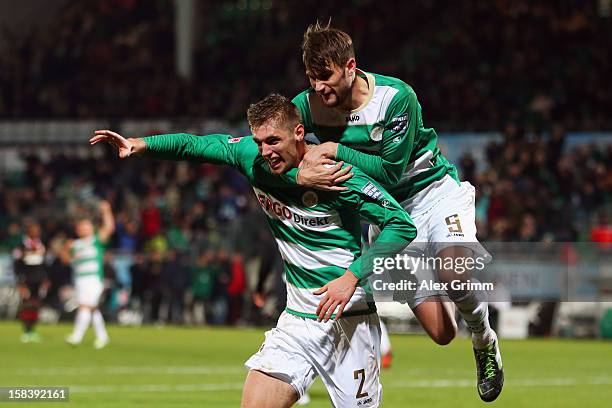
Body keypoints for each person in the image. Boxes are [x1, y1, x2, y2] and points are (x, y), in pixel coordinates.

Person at [90, 93, 416, 408]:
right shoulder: (252, 158)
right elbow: (197, 144)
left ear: (299, 132)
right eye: (259, 141)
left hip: (347, 319)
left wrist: (353, 276)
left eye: (273, 140)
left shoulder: (336, 175)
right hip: (298, 320)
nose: (265, 150)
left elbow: (401, 225)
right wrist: (140, 144)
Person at [288, 22, 503, 402]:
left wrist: (336, 151)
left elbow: (390, 171)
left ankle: (484, 339)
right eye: (311, 78)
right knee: (441, 333)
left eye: (326, 76)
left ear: (350, 66)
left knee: (454, 274)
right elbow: (286, 149)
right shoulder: (306, 106)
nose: (319, 87)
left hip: (433, 194)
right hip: (388, 216)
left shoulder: (396, 97)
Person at [62, 200, 114, 349]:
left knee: (85, 306)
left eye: (87, 226)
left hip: (93, 279)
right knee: (92, 308)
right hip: (79, 279)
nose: (84, 228)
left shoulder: (96, 241)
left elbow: (109, 228)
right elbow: (64, 259)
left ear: (92, 228)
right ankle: (102, 337)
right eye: (81, 227)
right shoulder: (74, 244)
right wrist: (67, 252)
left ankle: (76, 336)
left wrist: (106, 211)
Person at [12, 220, 49, 343]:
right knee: (26, 305)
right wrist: (20, 282)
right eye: (33, 230)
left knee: (36, 305)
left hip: (39, 280)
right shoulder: (21, 246)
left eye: (38, 230)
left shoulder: (42, 245)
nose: (36, 232)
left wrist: (46, 279)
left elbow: (44, 265)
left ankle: (33, 331)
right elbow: (17, 265)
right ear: (28, 231)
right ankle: (26, 331)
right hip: (26, 280)